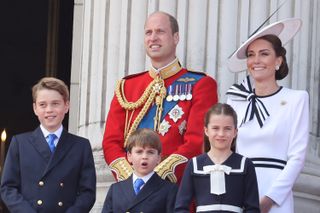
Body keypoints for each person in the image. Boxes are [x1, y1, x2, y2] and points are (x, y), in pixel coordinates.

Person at [102, 11, 218, 183]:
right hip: (132, 193)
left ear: (176, 37)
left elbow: (197, 142)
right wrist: (133, 180)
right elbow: (111, 143)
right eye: (148, 32)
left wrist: (154, 180)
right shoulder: (127, 87)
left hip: (176, 192)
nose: (153, 38)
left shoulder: (201, 84)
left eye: (160, 32)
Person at [227, 18, 309, 213]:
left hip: (276, 198)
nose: (256, 60)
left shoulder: (296, 99)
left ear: (278, 61)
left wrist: (270, 199)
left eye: (264, 54)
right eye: (251, 55)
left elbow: (297, 157)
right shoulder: (235, 100)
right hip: (238, 192)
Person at [0, 77, 96, 213]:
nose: (49, 110)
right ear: (35, 108)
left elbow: (88, 193)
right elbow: (8, 188)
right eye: (43, 105)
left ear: (66, 106)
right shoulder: (19, 143)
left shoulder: (81, 146)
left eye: (55, 103)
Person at [175, 103, 260, 213]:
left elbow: (253, 209)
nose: (221, 134)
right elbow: (181, 207)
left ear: (235, 132)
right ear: (206, 131)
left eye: (227, 129)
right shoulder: (194, 164)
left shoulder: (245, 165)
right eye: (215, 128)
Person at [102, 128, 178, 213]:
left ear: (158, 158)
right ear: (129, 156)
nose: (144, 156)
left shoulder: (169, 190)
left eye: (150, 152)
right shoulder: (115, 190)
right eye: (139, 152)